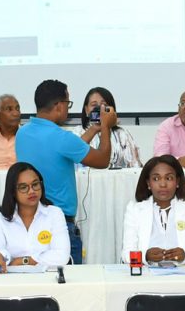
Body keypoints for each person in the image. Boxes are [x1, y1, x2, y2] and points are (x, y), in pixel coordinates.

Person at [13, 79, 115, 264]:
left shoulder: (22, 133)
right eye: (68, 103)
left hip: (29, 220)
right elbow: (102, 160)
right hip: (59, 224)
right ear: (59, 106)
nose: (68, 108)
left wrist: (94, 130)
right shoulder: (62, 138)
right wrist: (106, 127)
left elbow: (67, 150)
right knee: (68, 278)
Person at [121, 155, 185, 265]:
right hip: (147, 274)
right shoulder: (134, 210)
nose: (163, 184)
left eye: (169, 178)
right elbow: (126, 255)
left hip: (184, 273)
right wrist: (145, 256)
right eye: (156, 179)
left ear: (177, 182)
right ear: (148, 183)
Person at [0, 161, 69, 271]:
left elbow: (62, 256)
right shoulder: (0, 218)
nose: (31, 191)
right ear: (13, 191)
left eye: (35, 184)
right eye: (23, 187)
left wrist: (25, 260)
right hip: (11, 279)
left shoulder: (54, 214)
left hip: (48, 278)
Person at [81, 86, 141, 170]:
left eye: (104, 105)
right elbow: (74, 156)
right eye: (94, 105)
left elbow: (135, 167)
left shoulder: (122, 134)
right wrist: (96, 128)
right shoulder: (77, 133)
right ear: (86, 110)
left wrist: (106, 125)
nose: (100, 109)